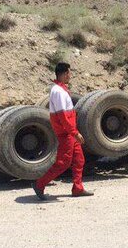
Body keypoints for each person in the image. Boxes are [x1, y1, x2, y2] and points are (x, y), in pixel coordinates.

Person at [33, 62, 93, 200]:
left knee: (79, 159)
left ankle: (78, 188)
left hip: (69, 131)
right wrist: (74, 132)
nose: (70, 76)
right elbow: (63, 116)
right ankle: (39, 184)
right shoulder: (58, 91)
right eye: (69, 73)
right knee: (63, 162)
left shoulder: (60, 89)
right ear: (65, 73)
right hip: (66, 132)